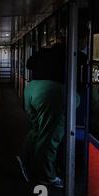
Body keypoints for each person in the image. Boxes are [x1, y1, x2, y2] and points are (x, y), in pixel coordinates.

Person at [22, 42, 69, 188]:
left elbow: (29, 64)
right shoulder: (70, 52)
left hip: (31, 88)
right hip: (51, 92)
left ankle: (26, 160)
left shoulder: (42, 53)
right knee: (49, 137)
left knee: (36, 130)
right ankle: (46, 176)